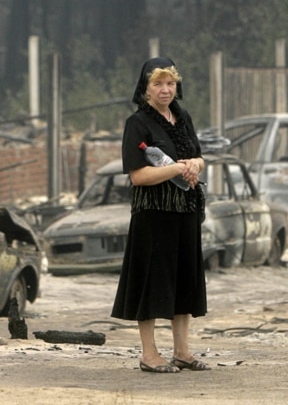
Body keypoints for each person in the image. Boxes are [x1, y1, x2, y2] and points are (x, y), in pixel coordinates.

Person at [111, 56, 208, 373]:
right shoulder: (137, 124)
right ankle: (149, 354)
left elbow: (199, 157)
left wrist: (194, 165)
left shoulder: (182, 118)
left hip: (185, 210)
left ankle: (182, 351)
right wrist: (176, 169)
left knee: (184, 279)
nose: (165, 89)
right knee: (152, 282)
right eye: (158, 84)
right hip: (153, 215)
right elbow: (138, 176)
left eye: (170, 83)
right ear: (146, 88)